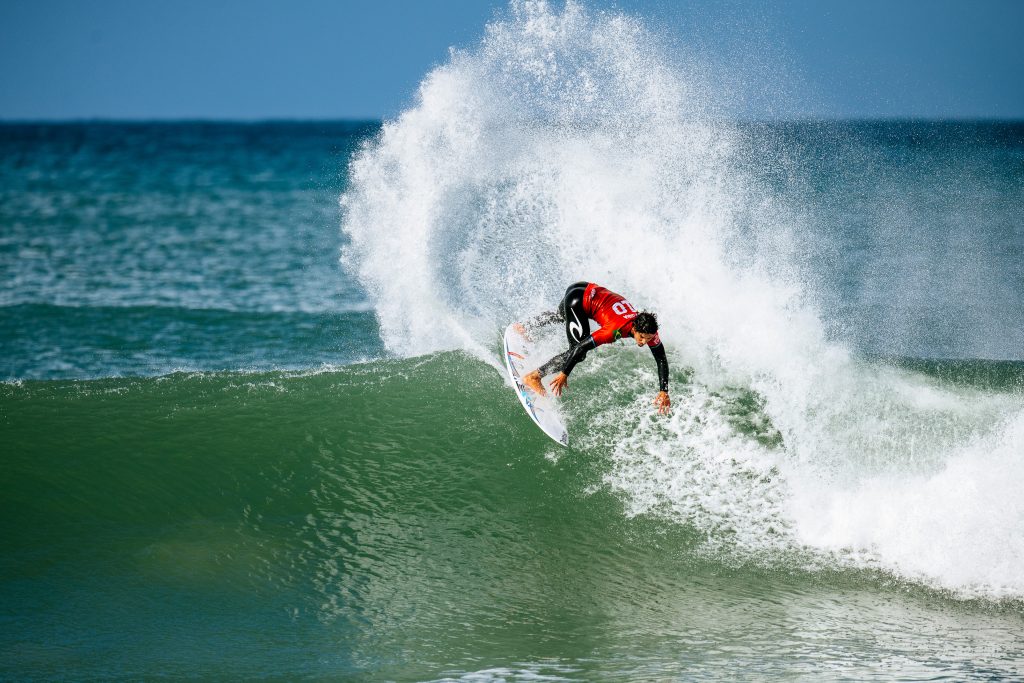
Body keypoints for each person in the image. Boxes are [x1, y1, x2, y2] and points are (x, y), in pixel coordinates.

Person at [515, 281, 671, 415]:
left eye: (648, 338)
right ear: (634, 328)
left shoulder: (648, 329)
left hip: (583, 288)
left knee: (564, 315)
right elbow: (581, 348)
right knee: (576, 353)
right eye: (642, 337)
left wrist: (664, 390)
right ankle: (534, 377)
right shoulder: (614, 330)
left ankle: (525, 326)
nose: (644, 342)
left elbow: (661, 358)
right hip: (578, 301)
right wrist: (564, 373)